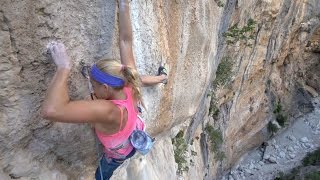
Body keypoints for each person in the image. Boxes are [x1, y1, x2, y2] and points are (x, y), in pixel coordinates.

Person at [41, 0, 167, 179]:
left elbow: (51, 110)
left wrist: (63, 68)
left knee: (102, 175)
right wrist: (124, 5)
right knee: (139, 80)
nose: (91, 87)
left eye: (93, 84)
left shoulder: (110, 111)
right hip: (132, 133)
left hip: (117, 154)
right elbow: (125, 41)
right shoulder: (128, 81)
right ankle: (162, 78)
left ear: (106, 88)